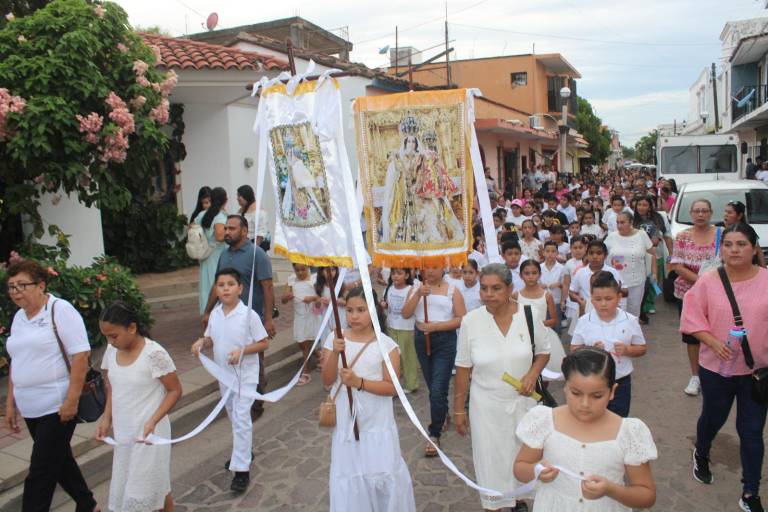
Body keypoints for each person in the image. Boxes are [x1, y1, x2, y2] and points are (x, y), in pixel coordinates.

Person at [681, 223, 768, 512]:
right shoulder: (709, 280)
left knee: (752, 431)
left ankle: (750, 492)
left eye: (741, 244)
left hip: (758, 373)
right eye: (728, 244)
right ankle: (702, 453)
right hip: (716, 369)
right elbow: (692, 317)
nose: (734, 250)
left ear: (754, 248)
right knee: (713, 419)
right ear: (722, 249)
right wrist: (713, 342)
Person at [4, 259, 99, 512]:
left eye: (22, 285)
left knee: (40, 473)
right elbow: (17, 361)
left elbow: (80, 356)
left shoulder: (60, 310)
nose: (16, 292)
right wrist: (10, 403)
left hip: (56, 405)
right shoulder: (19, 318)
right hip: (30, 406)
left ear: (41, 285)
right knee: (59, 461)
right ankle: (87, 504)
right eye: (11, 287)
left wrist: (71, 400)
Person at [454, 263, 550, 511]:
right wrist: (458, 410)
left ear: (509, 288)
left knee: (522, 456)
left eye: (496, 288)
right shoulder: (470, 321)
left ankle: (519, 500)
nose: (489, 294)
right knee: (491, 461)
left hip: (524, 403)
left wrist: (531, 374)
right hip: (485, 406)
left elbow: (543, 352)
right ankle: (494, 505)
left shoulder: (529, 314)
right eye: (484, 288)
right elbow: (463, 368)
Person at [514, 348, 657, 511]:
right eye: (576, 393)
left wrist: (611, 490)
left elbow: (646, 495)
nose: (585, 404)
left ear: (612, 392)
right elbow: (520, 468)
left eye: (597, 396)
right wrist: (536, 470)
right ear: (566, 387)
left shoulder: (628, 433)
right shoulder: (545, 420)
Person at [321, 287, 416, 512]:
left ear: (373, 310)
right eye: (350, 310)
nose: (354, 316)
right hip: (346, 419)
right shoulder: (335, 339)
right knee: (350, 473)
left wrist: (359, 382)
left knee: (381, 473)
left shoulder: (386, 345)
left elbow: (392, 387)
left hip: (377, 421)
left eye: (361, 310)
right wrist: (334, 352)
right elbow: (327, 379)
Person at [96, 302, 182, 512]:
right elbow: (112, 387)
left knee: (140, 494)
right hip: (125, 433)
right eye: (106, 336)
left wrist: (153, 421)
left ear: (132, 328)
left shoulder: (154, 354)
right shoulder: (111, 351)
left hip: (149, 435)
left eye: (114, 336)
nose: (110, 341)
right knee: (157, 487)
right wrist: (106, 418)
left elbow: (175, 390)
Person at [192, 268, 270, 492]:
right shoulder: (216, 313)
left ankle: (241, 471)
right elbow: (210, 338)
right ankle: (243, 452)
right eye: (221, 285)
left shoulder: (249, 315)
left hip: (245, 376)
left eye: (230, 284)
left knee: (241, 416)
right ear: (216, 290)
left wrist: (242, 351)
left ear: (240, 288)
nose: (225, 288)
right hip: (223, 375)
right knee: (234, 417)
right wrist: (201, 343)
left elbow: (264, 342)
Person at [204, 215, 275, 418]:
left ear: (244, 231)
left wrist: (268, 319)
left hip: (250, 318)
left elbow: (268, 287)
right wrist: (208, 311)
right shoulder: (224, 255)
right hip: (226, 317)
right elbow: (216, 285)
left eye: (232, 228)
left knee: (255, 361)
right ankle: (235, 397)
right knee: (229, 357)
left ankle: (254, 402)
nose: (227, 232)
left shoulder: (257, 254)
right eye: (226, 228)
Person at [402, 267, 466, 456]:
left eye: (433, 267)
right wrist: (418, 296)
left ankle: (434, 433)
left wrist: (436, 326)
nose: (429, 271)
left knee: (438, 388)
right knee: (433, 387)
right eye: (425, 267)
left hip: (444, 341)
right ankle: (443, 412)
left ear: (442, 268)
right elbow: (405, 313)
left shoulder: (452, 289)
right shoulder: (416, 288)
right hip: (422, 340)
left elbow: (462, 318)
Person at [570, 272, 647, 417]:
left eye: (609, 298)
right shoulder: (585, 321)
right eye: (598, 299)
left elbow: (642, 348)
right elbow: (574, 349)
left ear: (619, 297)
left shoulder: (630, 320)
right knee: (592, 418)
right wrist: (590, 351)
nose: (603, 304)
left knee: (618, 420)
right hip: (591, 382)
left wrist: (627, 350)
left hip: (620, 382)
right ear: (591, 299)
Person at [670, 199, 720, 397]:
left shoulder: (721, 234)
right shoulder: (682, 237)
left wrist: (711, 284)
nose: (701, 214)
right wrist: (702, 282)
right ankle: (695, 376)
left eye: (704, 211)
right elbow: (677, 266)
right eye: (697, 211)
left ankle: (714, 373)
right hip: (688, 295)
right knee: (693, 336)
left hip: (717, 295)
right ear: (691, 213)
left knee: (716, 333)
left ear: (710, 213)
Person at [604, 212, 656, 318]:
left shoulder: (641, 235)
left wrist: (654, 272)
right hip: (615, 283)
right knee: (617, 313)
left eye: (622, 222)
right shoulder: (612, 236)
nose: (619, 226)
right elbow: (602, 254)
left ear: (631, 222)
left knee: (633, 312)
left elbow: (652, 254)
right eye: (617, 222)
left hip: (637, 281)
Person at [381, 268, 419, 394]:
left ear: (407, 275)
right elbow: (386, 303)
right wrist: (383, 304)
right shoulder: (389, 288)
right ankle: (393, 383)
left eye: (399, 273)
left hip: (406, 328)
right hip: (392, 326)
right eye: (393, 273)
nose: (395, 276)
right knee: (394, 357)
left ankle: (411, 383)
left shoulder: (410, 289)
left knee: (407, 357)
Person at [282, 263, 318, 386]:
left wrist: (312, 298)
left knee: (308, 344)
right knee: (302, 344)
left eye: (303, 269)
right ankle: (319, 357)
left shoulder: (314, 279)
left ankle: (306, 372)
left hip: (313, 315)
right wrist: (287, 297)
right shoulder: (291, 279)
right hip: (300, 317)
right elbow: (283, 299)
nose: (300, 272)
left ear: (308, 267)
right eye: (297, 270)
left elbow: (321, 296)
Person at [570, 240, 625, 318]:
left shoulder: (613, 272)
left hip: (608, 311)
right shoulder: (580, 272)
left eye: (599, 253)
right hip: (586, 311)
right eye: (591, 253)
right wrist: (579, 300)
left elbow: (623, 291)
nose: (595, 257)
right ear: (586, 255)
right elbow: (572, 292)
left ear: (605, 255)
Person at [195, 187, 228, 314]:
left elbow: (192, 227)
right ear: (225, 200)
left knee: (207, 284)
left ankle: (207, 312)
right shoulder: (219, 216)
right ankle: (218, 313)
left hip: (206, 255)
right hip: (218, 254)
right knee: (218, 282)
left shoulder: (202, 215)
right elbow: (219, 236)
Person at [723, 200, 767, 267]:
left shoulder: (747, 230)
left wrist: (764, 273)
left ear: (739, 216)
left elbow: (759, 253)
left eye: (729, 212)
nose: (726, 214)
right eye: (725, 211)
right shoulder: (718, 229)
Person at [541, 241, 567, 336]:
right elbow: (534, 283)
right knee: (544, 326)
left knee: (556, 326)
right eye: (547, 251)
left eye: (553, 251)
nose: (550, 254)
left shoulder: (562, 268)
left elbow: (566, 285)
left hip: (556, 301)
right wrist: (539, 286)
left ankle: (557, 347)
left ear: (557, 253)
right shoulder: (539, 268)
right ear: (543, 252)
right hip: (542, 301)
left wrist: (559, 284)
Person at [237, 184, 270, 251]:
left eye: (239, 195)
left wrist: (253, 250)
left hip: (254, 246)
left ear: (246, 196)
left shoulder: (259, 212)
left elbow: (260, 234)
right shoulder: (241, 210)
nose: (237, 198)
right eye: (237, 195)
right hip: (244, 244)